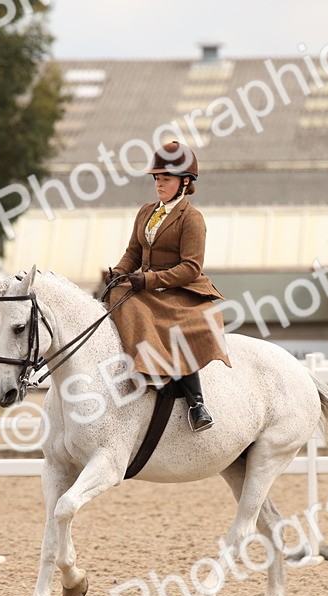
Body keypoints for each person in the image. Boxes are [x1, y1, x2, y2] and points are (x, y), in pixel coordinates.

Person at [107, 141, 229, 432]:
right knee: (117, 294)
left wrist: (148, 280)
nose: (159, 184)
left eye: (166, 179)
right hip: (148, 286)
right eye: (157, 178)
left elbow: (190, 267)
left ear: (185, 182)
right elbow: (133, 253)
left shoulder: (192, 219)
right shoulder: (146, 212)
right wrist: (118, 272)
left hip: (180, 291)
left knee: (163, 321)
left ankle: (196, 403)